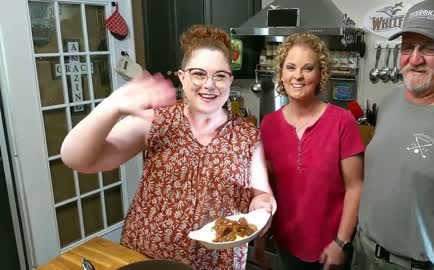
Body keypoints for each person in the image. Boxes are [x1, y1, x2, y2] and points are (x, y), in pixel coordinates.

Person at [60, 25, 276, 270]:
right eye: (198, 73)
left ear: (230, 80)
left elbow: (262, 193)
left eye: (219, 75)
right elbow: (74, 157)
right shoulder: (156, 121)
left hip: (218, 262)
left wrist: (263, 206)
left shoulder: (247, 135)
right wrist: (113, 105)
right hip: (150, 258)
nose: (209, 84)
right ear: (182, 77)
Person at [353, 0, 434, 269]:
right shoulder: (391, 100)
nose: (415, 59)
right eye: (408, 46)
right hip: (364, 253)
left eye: (430, 47)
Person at [257, 33, 365, 270]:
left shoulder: (342, 121)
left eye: (308, 68)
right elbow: (266, 187)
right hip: (286, 243)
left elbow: (355, 187)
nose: (298, 76)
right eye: (291, 67)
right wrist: (259, 240)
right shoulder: (268, 125)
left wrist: (341, 242)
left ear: (320, 75)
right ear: (281, 73)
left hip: (331, 247)